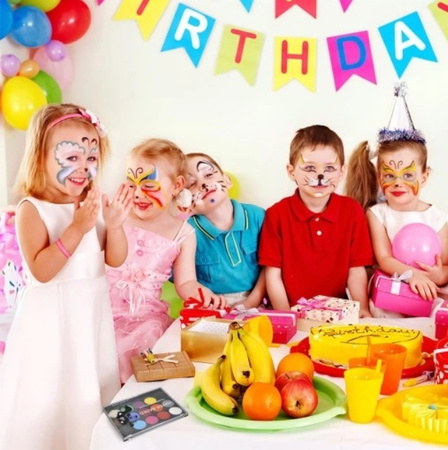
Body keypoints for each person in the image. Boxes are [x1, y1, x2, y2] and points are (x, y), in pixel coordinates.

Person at [0, 103, 133, 450]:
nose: (83, 168)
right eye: (71, 157)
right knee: (51, 393)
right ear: (40, 157)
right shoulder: (32, 209)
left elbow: (115, 259)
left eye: (92, 158)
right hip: (51, 326)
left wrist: (114, 225)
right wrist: (76, 228)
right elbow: (42, 272)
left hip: (89, 320)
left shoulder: (92, 204)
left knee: (87, 389)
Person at [107, 140, 225, 384]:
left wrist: (204, 294)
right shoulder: (115, 216)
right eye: (132, 183)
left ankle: (135, 395)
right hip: (102, 312)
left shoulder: (184, 233)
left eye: (149, 185)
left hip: (144, 319)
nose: (138, 193)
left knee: (152, 341)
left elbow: (186, 283)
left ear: (177, 186)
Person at [345, 83, 448, 316]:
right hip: (391, 295)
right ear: (379, 176)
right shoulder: (377, 214)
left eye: (408, 175)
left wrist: (440, 274)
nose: (398, 183)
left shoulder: (437, 217)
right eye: (390, 175)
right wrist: (412, 275)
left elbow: (445, 264)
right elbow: (384, 258)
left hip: (430, 292)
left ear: (425, 176)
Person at [258, 125, 373, 317]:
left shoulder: (352, 211)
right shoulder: (276, 214)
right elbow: (272, 274)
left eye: (330, 168)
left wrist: (362, 308)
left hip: (338, 316)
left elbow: (356, 269)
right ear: (291, 171)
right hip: (291, 312)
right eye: (310, 168)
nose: (320, 176)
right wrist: (286, 315)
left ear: (341, 172)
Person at [184, 152, 266, 309]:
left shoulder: (257, 216)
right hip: (211, 305)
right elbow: (186, 282)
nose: (203, 184)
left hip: (259, 300)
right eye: (191, 185)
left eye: (208, 175)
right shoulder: (187, 232)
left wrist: (251, 302)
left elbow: (271, 267)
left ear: (227, 180)